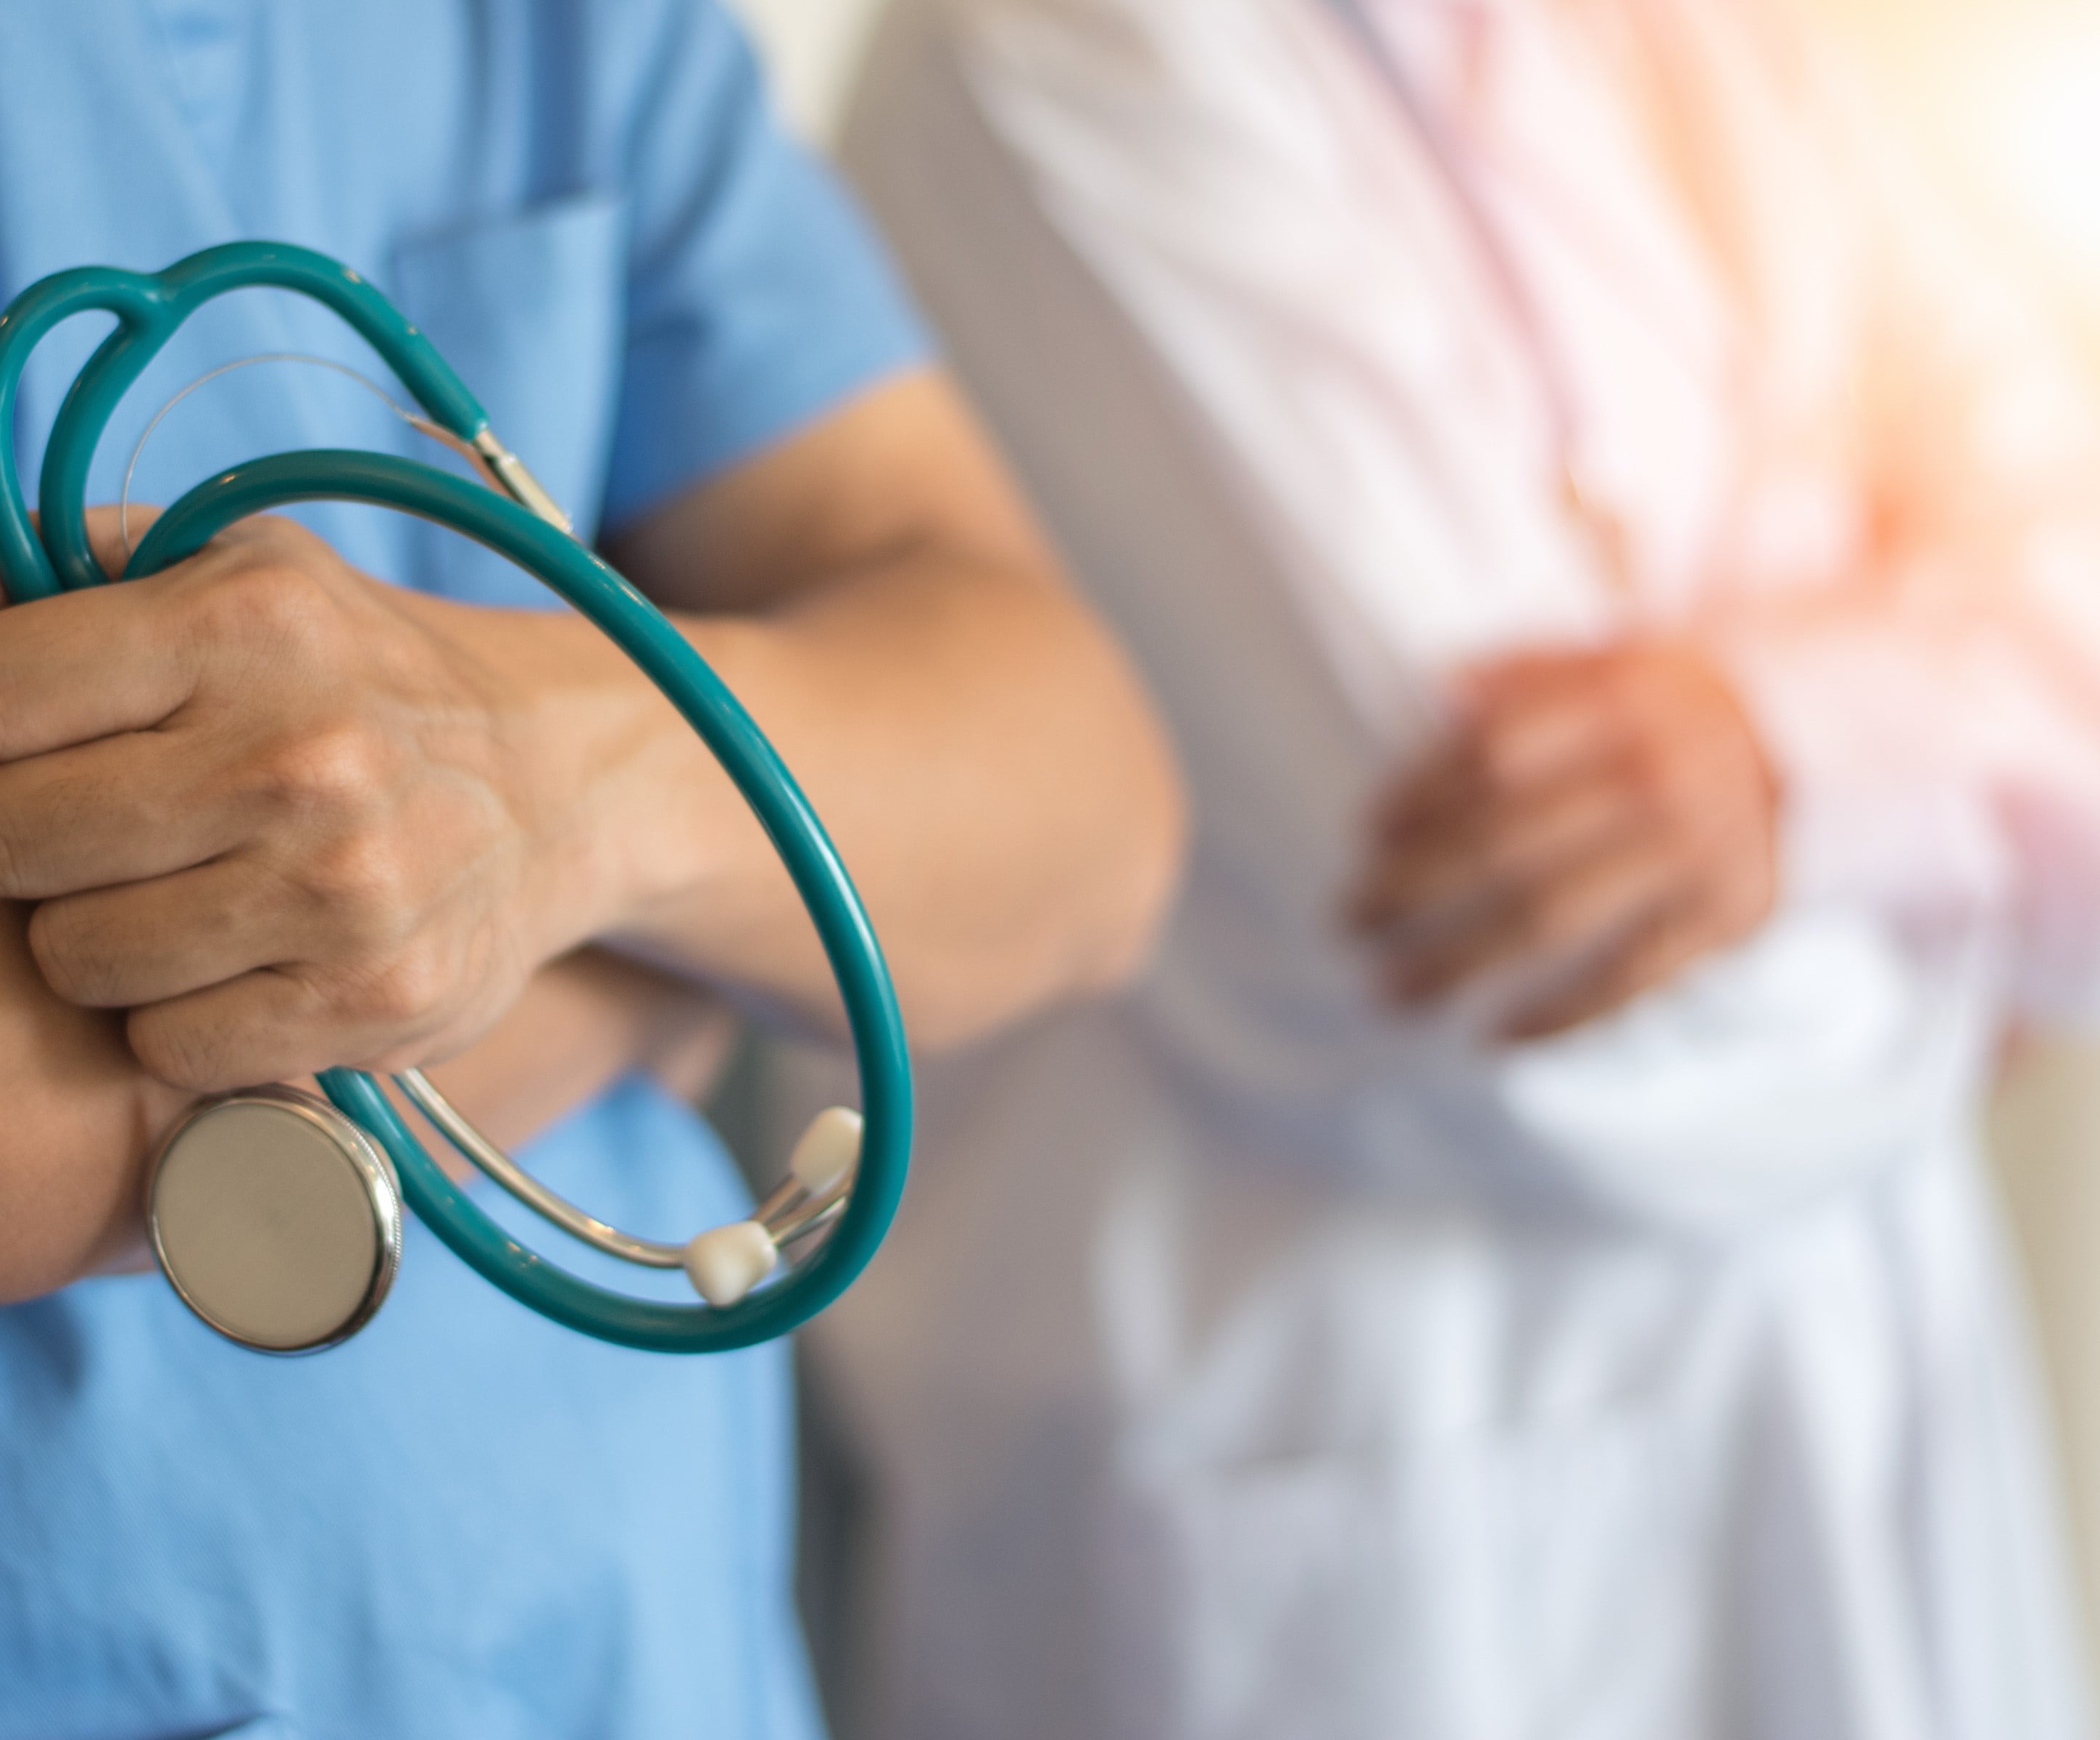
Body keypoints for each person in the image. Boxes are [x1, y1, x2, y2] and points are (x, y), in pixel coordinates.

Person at [0, 2, 1185, 1733]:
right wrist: (690, 929)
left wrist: (556, 787)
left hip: (628, 1661)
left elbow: (1086, 814)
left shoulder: (582, 34)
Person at [807, 0, 2100, 1733]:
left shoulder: (1706, 39)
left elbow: (2059, 512)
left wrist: (1782, 748)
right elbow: (1521, 972)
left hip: (1844, 1399)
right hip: (1362, 1488)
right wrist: (1976, 884)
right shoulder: (1063, 49)